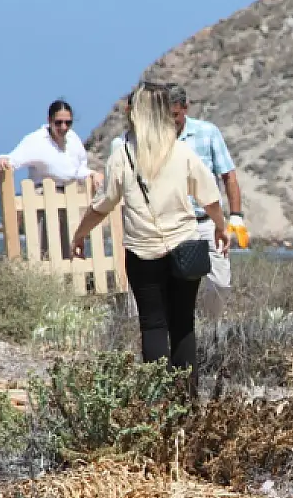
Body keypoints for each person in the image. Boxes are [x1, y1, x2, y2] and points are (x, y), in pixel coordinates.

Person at [69, 81, 230, 398]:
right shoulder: (181, 151)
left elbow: (102, 204)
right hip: (184, 246)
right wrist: (221, 227)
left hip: (141, 252)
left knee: (153, 325)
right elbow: (210, 196)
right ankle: (186, 402)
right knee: (183, 324)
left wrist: (79, 234)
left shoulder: (122, 154)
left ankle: (157, 404)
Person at [153, 83, 246, 319]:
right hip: (173, 222)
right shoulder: (155, 139)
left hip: (208, 221)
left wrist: (235, 216)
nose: (170, 122)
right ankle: (184, 326)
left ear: (185, 108)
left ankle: (208, 321)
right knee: (175, 284)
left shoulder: (208, 133)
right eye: (165, 116)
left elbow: (228, 175)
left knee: (221, 282)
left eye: (174, 115)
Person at [0, 99, 102, 260]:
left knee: (69, 248)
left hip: (68, 196)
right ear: (49, 120)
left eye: (68, 123)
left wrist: (93, 174)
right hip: (42, 197)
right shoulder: (36, 140)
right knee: (44, 249)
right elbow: (13, 159)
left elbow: (78, 168)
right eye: (58, 122)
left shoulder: (73, 139)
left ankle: (67, 283)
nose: (63, 127)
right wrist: (2, 160)